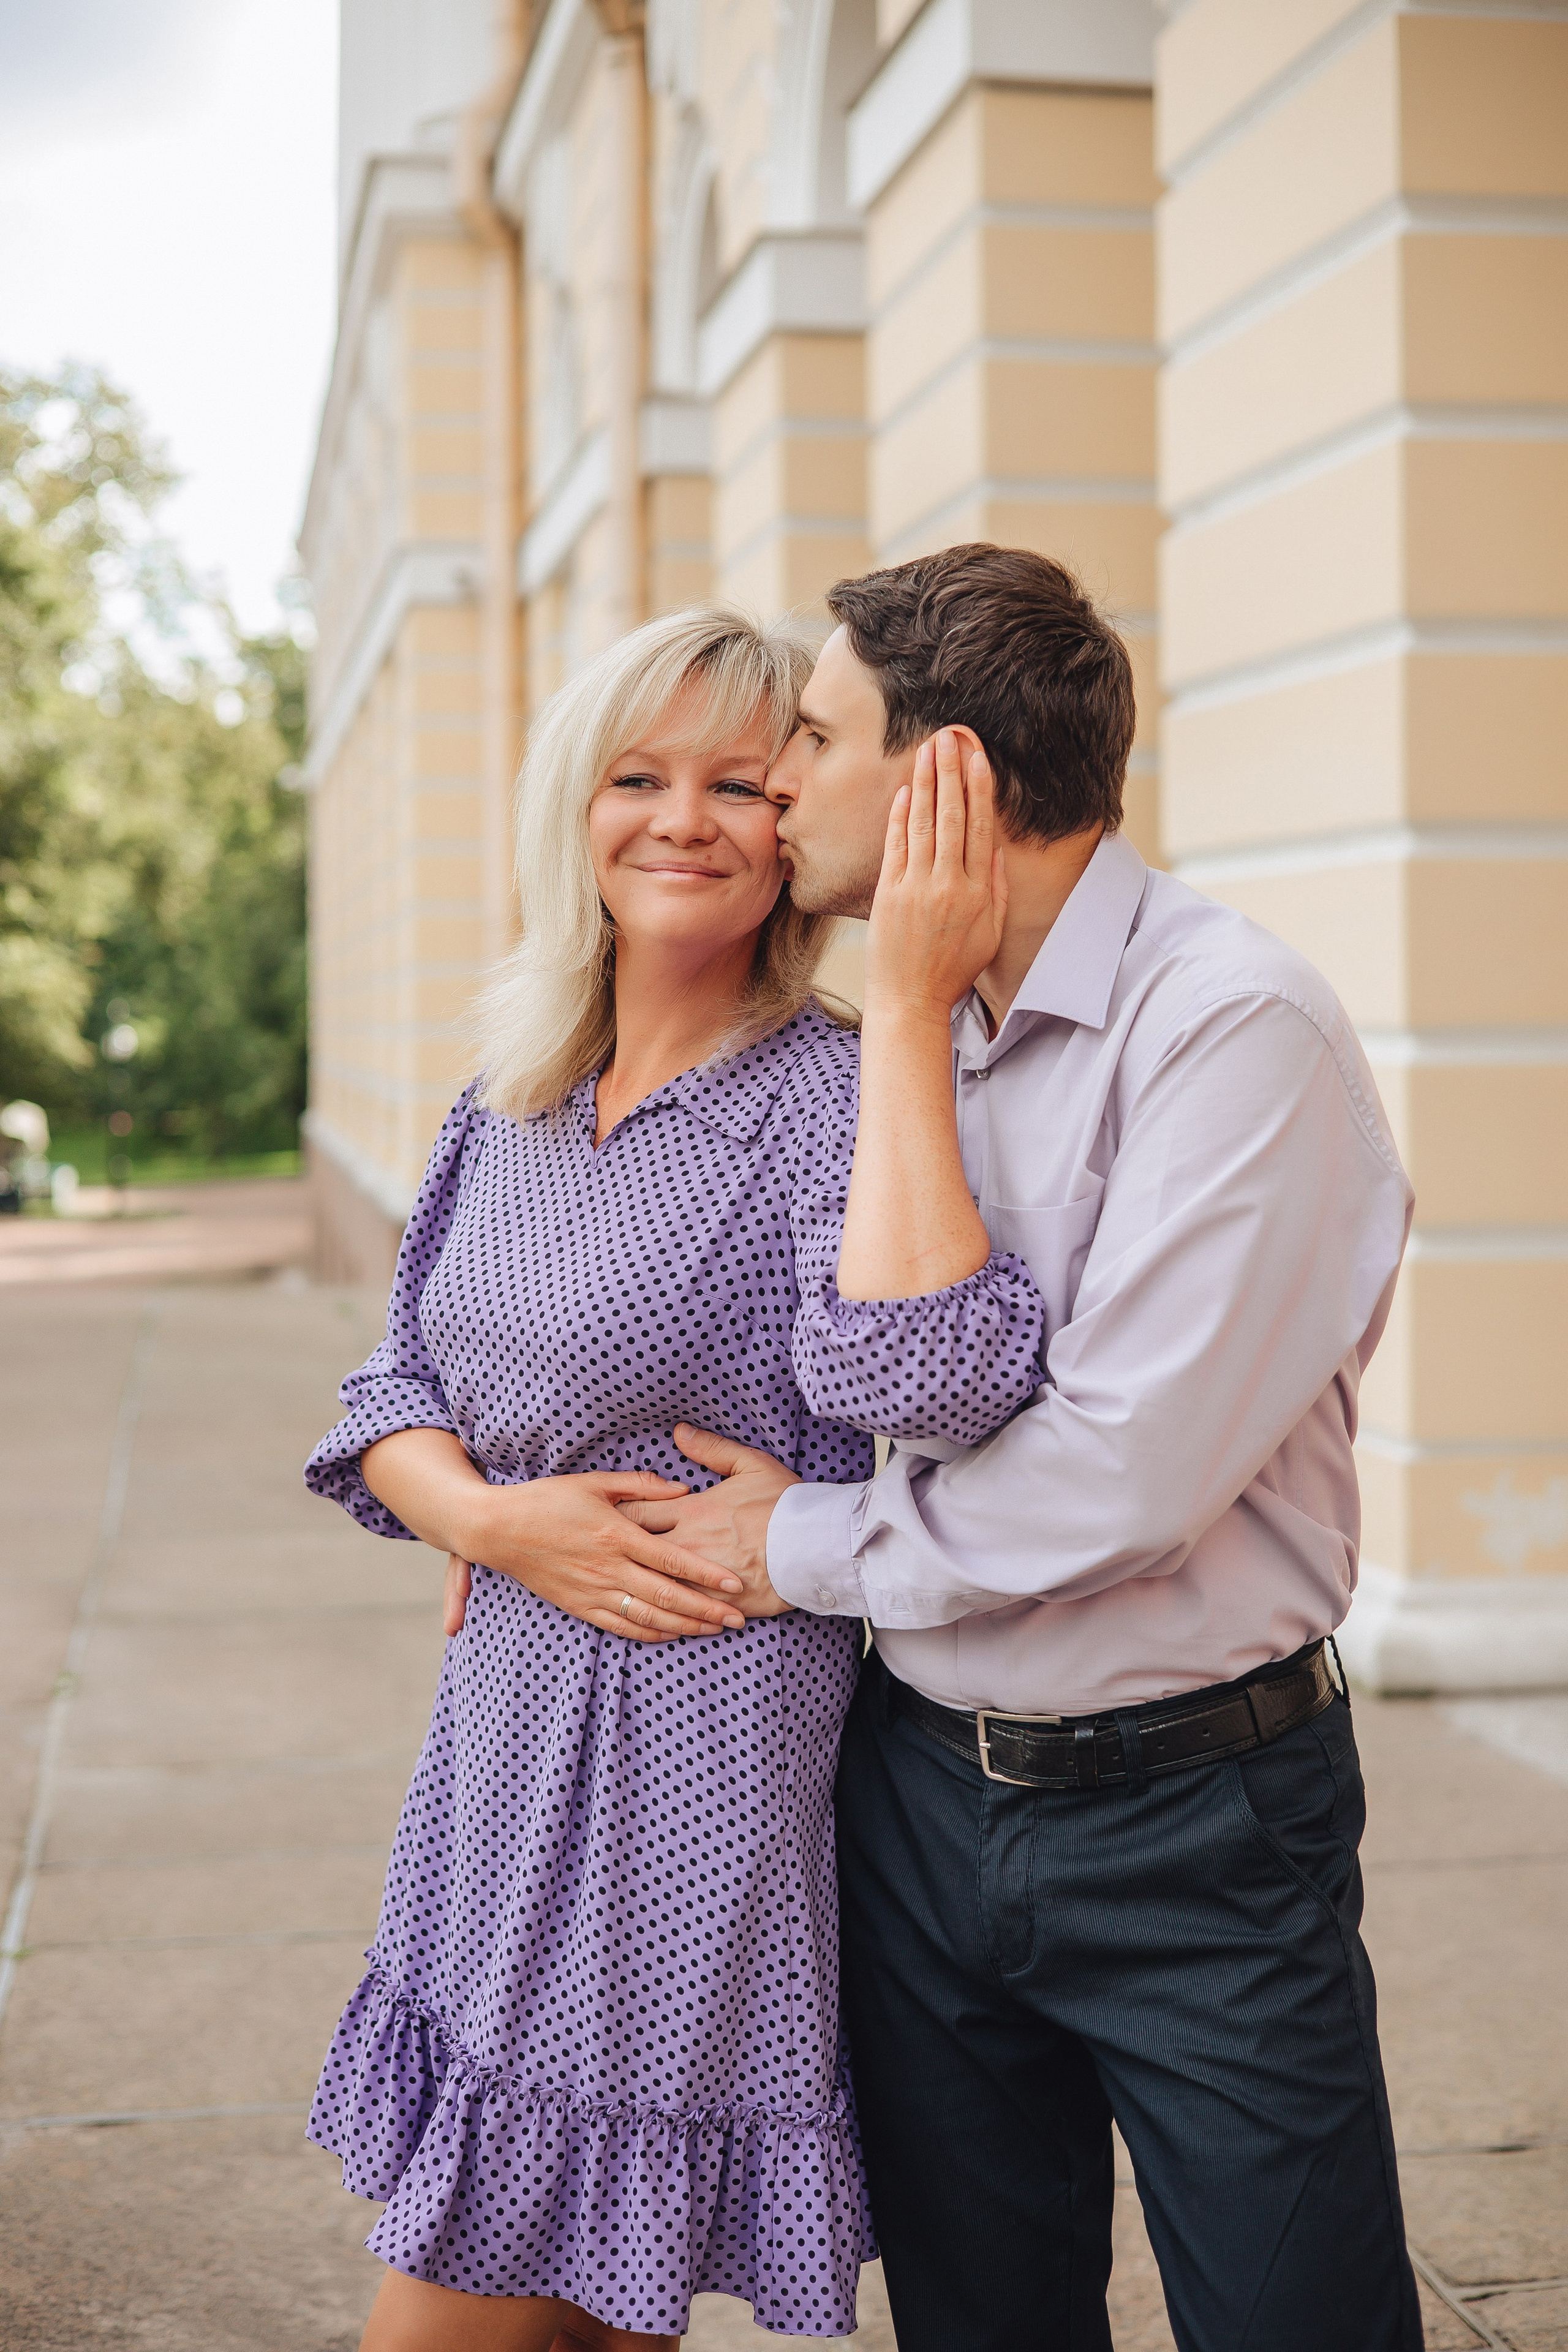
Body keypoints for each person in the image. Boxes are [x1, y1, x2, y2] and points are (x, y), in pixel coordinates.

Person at [630, 546, 1425, 2351]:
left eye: (811, 743)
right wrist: (497, 1504)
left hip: (1197, 1820)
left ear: (947, 781)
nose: (770, 785)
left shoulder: (1236, 1027)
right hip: (914, 1801)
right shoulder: (898, 1045)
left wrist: (797, 1546)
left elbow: (1118, 1481)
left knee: (1298, 2323)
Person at [301, 603, 1048, 2352]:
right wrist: (484, 1516)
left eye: (737, 780)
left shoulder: (838, 1088)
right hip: (497, 1745)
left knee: (485, 2299)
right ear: (578, 810)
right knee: (580, 2301)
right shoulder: (514, 1095)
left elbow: (940, 1379)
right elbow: (392, 1382)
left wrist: (913, 1016)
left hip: (686, 1765)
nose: (686, 819)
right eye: (638, 777)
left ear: (798, 820)